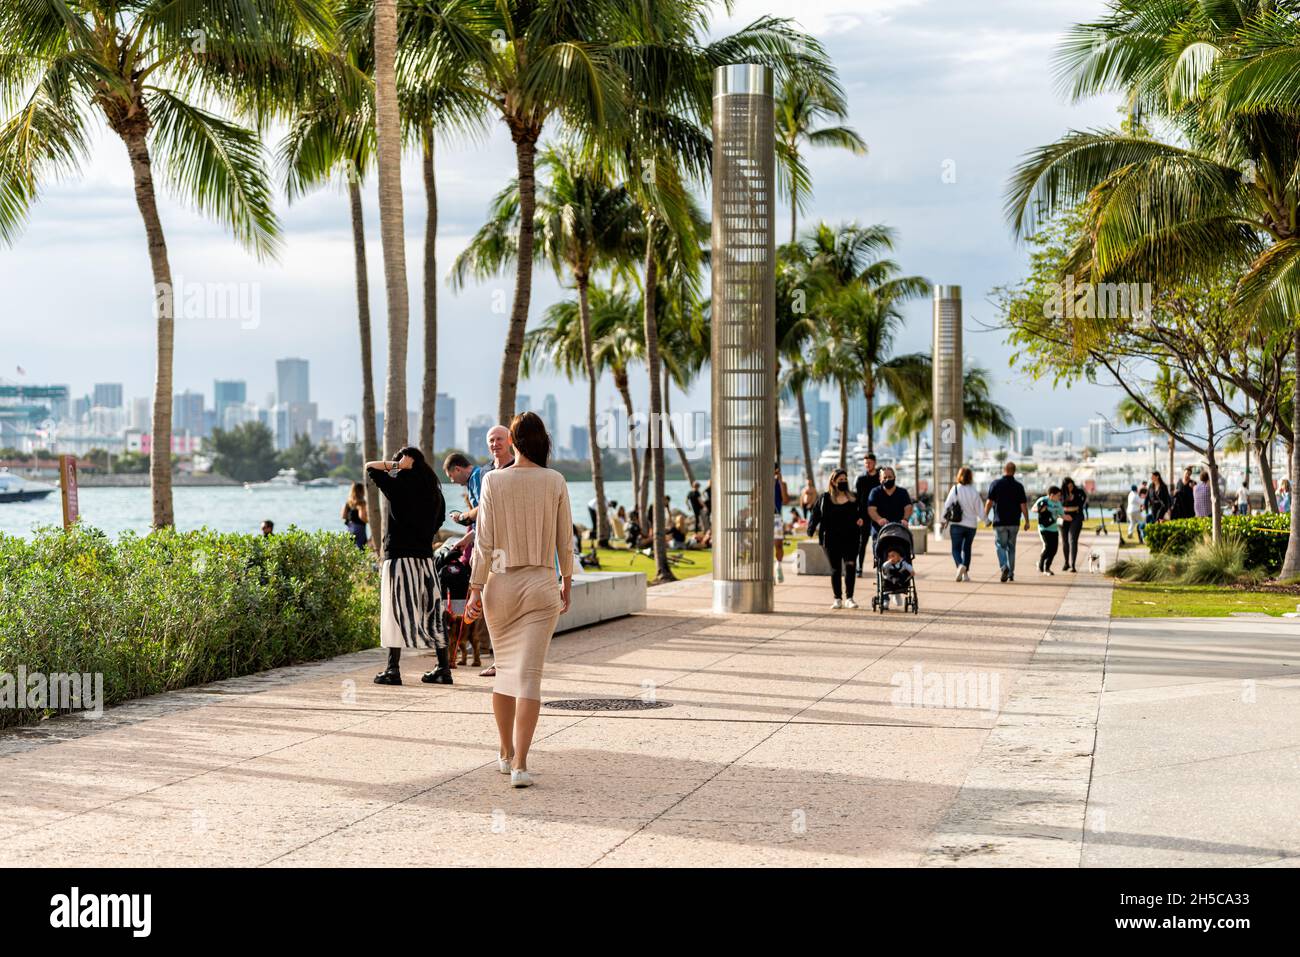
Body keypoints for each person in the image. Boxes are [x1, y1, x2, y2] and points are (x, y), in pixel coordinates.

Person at [464, 412, 573, 789]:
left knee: (506, 672)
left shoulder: (493, 481)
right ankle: (521, 765)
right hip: (541, 583)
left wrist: (475, 589)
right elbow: (565, 539)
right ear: (542, 439)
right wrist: (567, 581)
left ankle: (505, 750)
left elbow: (485, 542)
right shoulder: (555, 481)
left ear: (512, 441)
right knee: (529, 677)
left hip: (501, 585)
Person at [366, 446, 450, 687]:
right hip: (424, 559)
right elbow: (440, 521)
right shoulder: (435, 492)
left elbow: (370, 466)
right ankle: (443, 668)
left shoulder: (398, 486)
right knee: (432, 610)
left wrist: (397, 466)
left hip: (398, 558)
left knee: (395, 611)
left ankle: (393, 669)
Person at [808, 468, 862, 609]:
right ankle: (837, 598)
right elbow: (815, 515)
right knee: (836, 569)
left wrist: (861, 520)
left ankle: (849, 598)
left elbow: (862, 514)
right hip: (831, 538)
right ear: (833, 482)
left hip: (851, 537)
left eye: (845, 480)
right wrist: (811, 528)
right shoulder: (825, 498)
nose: (843, 482)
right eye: (840, 480)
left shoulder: (854, 498)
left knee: (850, 566)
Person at [983, 461, 1029, 582]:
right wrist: (1027, 521)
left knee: (1000, 545)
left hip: (1000, 522)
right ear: (1014, 471)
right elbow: (1023, 505)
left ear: (1004, 470)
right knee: (1011, 547)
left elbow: (989, 502)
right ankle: (1011, 573)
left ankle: (1004, 567)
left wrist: (985, 517)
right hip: (1014, 522)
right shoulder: (1019, 486)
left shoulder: (995, 484)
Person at [940, 465, 982, 582]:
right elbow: (980, 509)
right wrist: (986, 520)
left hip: (957, 525)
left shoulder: (955, 489)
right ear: (970, 477)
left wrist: (943, 520)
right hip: (971, 526)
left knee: (956, 549)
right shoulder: (974, 491)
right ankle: (965, 574)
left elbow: (947, 505)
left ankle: (959, 565)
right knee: (967, 549)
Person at [866, 467, 913, 559]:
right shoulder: (875, 492)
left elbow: (908, 507)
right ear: (880, 479)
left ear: (894, 477)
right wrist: (879, 519)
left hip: (898, 529)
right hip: (880, 530)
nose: (887, 479)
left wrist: (905, 519)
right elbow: (871, 509)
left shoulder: (902, 492)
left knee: (903, 551)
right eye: (885, 477)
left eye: (890, 477)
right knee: (880, 555)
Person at [855, 453, 882, 576]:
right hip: (864, 516)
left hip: (878, 515)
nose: (867, 465)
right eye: (865, 463)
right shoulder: (861, 480)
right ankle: (859, 567)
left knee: (878, 542)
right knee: (862, 542)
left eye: (869, 462)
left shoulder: (880, 478)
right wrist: (858, 516)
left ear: (874, 463)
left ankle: (879, 567)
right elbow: (858, 500)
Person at [1058, 476, 1087, 573]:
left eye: (1071, 486)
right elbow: (1057, 506)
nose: (1070, 488)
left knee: (1073, 540)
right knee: (1065, 541)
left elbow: (1083, 501)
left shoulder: (1079, 492)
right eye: (1068, 487)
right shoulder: (1060, 494)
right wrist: (1064, 514)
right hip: (1063, 518)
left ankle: (1073, 565)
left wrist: (1078, 509)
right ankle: (1066, 563)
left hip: (1076, 518)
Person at [1034, 485, 1065, 575]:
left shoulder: (1058, 503)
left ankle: (1047, 567)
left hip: (1054, 528)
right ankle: (1041, 564)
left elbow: (1061, 515)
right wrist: (1041, 509)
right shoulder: (1043, 500)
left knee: (1054, 549)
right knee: (1048, 547)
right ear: (1051, 495)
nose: (1059, 497)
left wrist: (1067, 518)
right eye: (1058, 495)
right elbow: (1033, 509)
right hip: (1044, 528)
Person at [773, 465, 791, 583]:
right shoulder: (761, 483)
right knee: (765, 547)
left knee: (778, 545)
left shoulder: (782, 484)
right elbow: (752, 500)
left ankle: (778, 566)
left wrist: (779, 481)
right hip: (763, 517)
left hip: (776, 517)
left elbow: (785, 500)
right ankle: (768, 574)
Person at [341, 481, 369, 550]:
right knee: (361, 549)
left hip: (349, 528)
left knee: (350, 549)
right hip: (359, 528)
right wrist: (370, 521)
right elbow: (362, 517)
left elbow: (343, 516)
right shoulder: (362, 502)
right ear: (361, 491)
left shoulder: (348, 502)